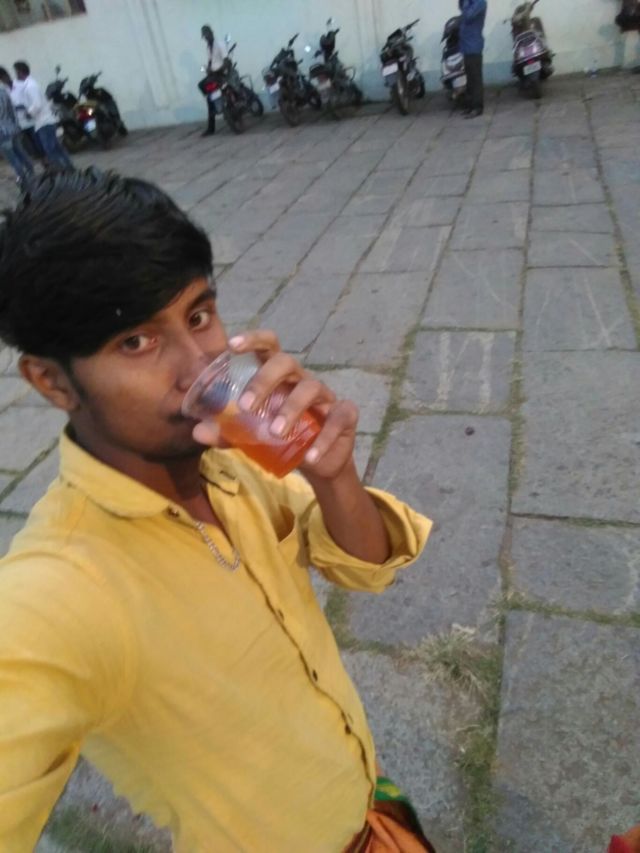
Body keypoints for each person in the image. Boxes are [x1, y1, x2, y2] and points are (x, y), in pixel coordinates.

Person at [0, 168, 435, 852]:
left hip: (376, 809)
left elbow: (366, 567)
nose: (197, 365)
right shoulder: (60, 592)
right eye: (136, 341)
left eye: (199, 315)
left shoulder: (231, 463)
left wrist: (333, 475)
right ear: (53, 381)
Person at [12, 60, 73, 170]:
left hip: (44, 122)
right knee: (56, 147)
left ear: (21, 72)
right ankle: (68, 167)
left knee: (50, 149)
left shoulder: (30, 86)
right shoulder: (29, 85)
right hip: (43, 121)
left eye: (16, 72)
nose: (16, 75)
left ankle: (62, 169)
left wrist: (29, 113)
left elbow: (37, 104)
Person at [0, 66, 34, 186]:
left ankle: (24, 180)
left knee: (12, 158)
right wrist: (16, 125)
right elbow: (12, 111)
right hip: (12, 128)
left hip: (2, 133)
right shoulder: (3, 92)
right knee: (21, 152)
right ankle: (32, 174)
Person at [459, 0, 487, 118]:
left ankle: (477, 107)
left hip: (474, 45)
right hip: (466, 46)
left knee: (475, 79)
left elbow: (468, 15)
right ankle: (470, 106)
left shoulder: (479, 2)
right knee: (469, 80)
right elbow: (461, 7)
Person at [199, 24, 227, 136]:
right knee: (202, 86)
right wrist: (208, 69)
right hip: (213, 74)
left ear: (211, 33)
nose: (206, 38)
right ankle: (211, 128)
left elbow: (226, 60)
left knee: (209, 96)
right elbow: (210, 61)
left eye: (207, 35)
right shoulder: (208, 48)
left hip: (222, 72)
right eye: (205, 36)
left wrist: (220, 69)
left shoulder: (219, 44)